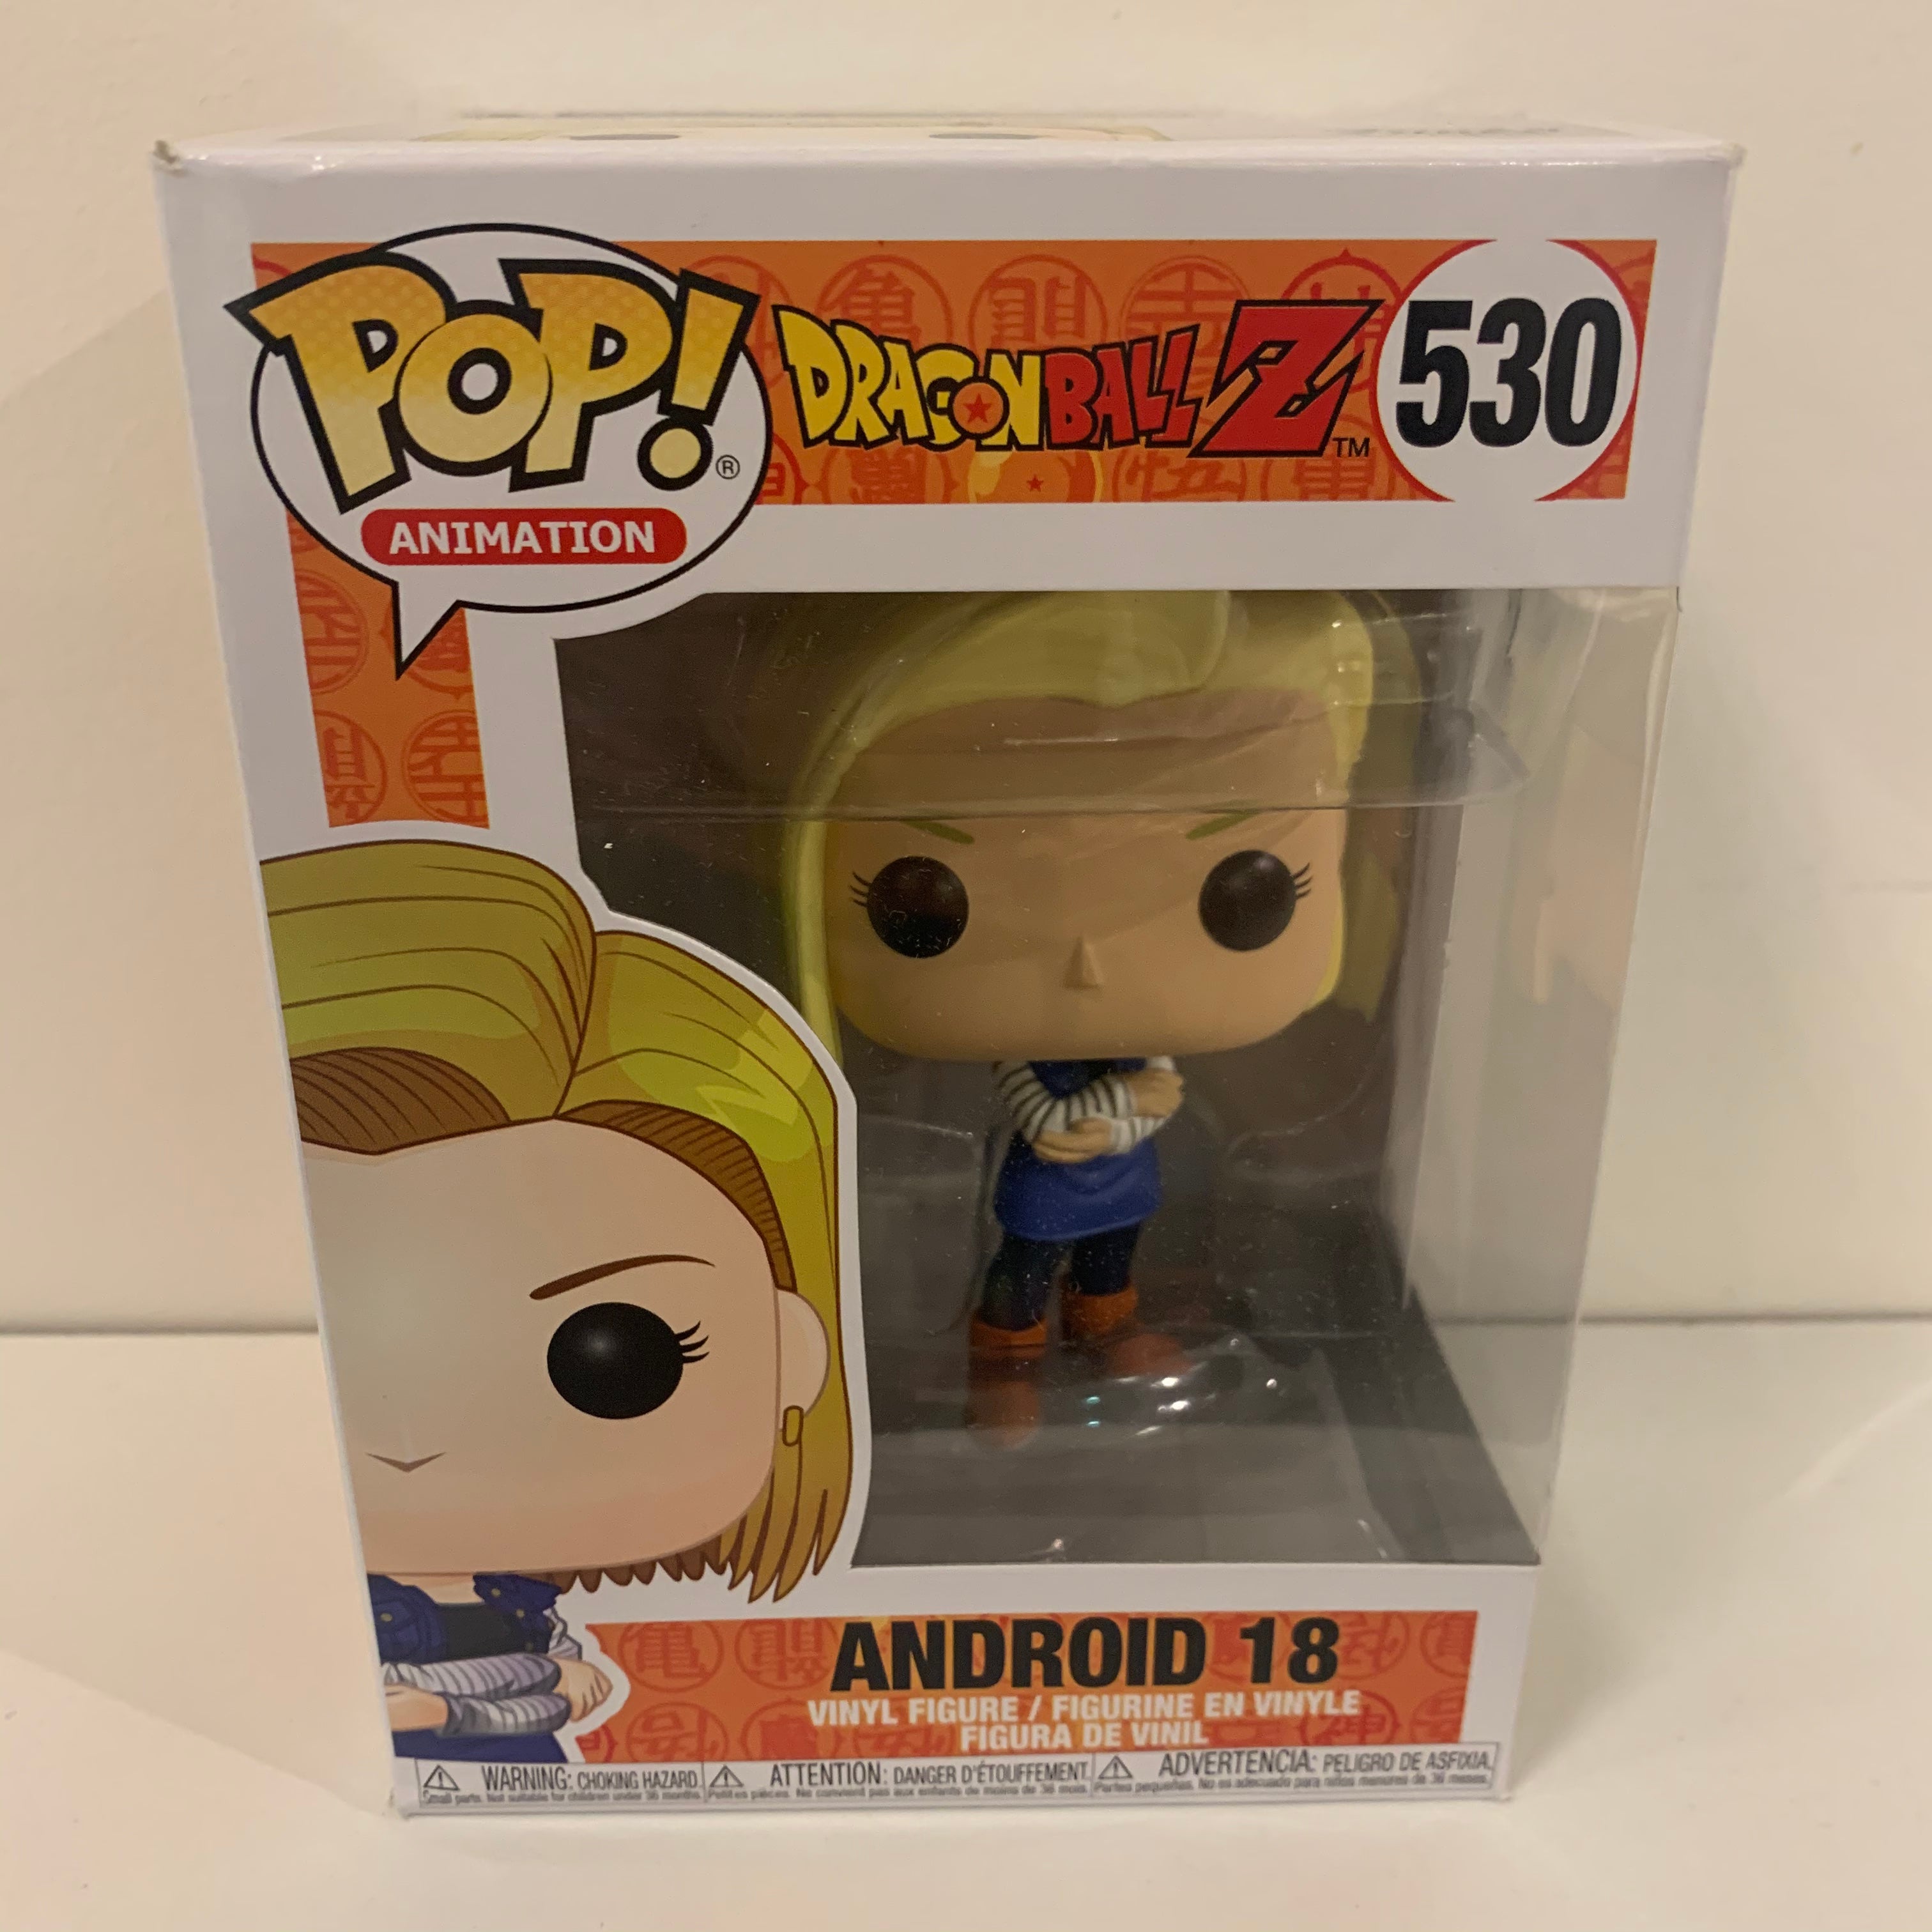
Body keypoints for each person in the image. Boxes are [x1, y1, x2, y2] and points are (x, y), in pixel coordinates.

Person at [264, 839, 851, 1757]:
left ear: (792, 1352)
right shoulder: (328, 1607)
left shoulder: (516, 1600)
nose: (413, 1439)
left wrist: (519, 1694)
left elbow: (566, 1683)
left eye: (614, 1358)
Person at [782, 590, 1378, 1437]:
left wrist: (1123, 1109)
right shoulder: (1034, 1057)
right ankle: (1006, 1358)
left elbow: (1152, 1100)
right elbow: (1045, 1117)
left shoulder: (1143, 1054)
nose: (1088, 963)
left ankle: (1109, 1330)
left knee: (1110, 1261)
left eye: (1247, 895)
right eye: (926, 900)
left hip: (1123, 1184)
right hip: (1045, 1190)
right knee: (1022, 1271)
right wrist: (1124, 1106)